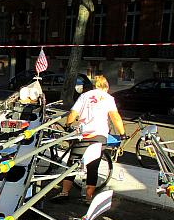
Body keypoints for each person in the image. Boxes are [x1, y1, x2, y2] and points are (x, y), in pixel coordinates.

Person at [52, 74, 127, 203]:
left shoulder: (84, 96)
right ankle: (88, 198)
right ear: (106, 87)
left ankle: (64, 193)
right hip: (99, 135)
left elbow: (73, 113)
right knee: (93, 166)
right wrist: (122, 133)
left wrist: (68, 125)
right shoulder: (108, 98)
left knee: (73, 164)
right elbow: (115, 116)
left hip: (83, 134)